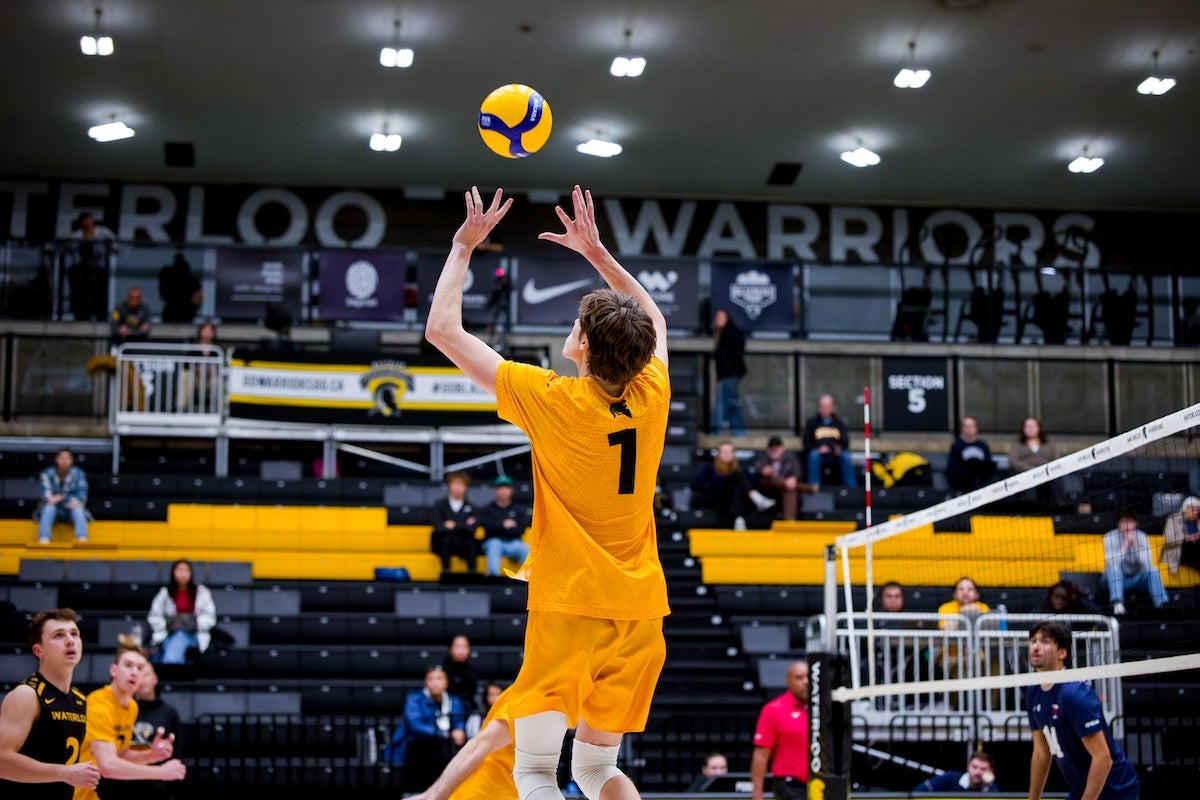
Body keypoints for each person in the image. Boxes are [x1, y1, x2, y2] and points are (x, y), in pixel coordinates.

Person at [424, 184, 671, 800]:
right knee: (596, 771)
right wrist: (598, 253)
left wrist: (462, 246)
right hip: (640, 612)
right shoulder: (652, 394)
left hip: (569, 606)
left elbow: (442, 330)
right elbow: (655, 318)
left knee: (534, 772)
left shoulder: (551, 399)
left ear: (583, 345)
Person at [1025, 621, 1140, 800]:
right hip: (1081, 789)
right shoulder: (1033, 691)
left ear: (1062, 652)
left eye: (1045, 641)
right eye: (1033, 641)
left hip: (1116, 790)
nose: (1036, 647)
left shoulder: (1074, 693)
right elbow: (1041, 752)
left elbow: (1103, 758)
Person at [0, 608, 101, 800]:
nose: (70, 640)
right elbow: (1, 761)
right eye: (58, 635)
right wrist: (65, 773)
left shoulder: (79, 699)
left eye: (74, 633)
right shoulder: (27, 694)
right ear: (39, 650)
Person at [74, 637, 187, 800]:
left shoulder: (131, 706)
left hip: (93, 793)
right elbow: (108, 765)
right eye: (128, 665)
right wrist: (161, 772)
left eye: (140, 668)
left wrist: (150, 755)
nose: (134, 672)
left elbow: (120, 753)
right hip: (74, 792)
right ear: (114, 670)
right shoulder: (99, 704)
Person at [101, 662, 183, 800]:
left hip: (154, 789)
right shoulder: (117, 708)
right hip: (118, 786)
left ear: (155, 679)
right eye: (138, 675)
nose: (142, 679)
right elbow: (110, 757)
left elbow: (176, 757)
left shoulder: (169, 713)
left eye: (146, 674)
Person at [401, 665, 468, 794]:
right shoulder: (415, 699)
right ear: (426, 683)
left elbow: (458, 721)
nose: (435, 682)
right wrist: (441, 734)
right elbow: (415, 725)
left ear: (446, 682)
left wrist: (459, 730)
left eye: (439, 678)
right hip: (420, 748)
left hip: (445, 748)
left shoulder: (453, 700)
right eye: (431, 679)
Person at [750, 661, 809, 800]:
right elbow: (761, 755)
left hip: (819, 784)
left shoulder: (822, 710)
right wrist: (757, 794)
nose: (806, 682)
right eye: (799, 678)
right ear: (788, 681)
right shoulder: (774, 709)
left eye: (809, 677)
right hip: (790, 786)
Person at [690, 441, 776, 530]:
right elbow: (695, 485)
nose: (727, 455)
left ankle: (739, 517)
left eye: (729, 452)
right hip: (717, 499)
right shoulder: (710, 469)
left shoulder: (740, 468)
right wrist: (716, 485)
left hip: (734, 500)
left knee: (736, 483)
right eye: (724, 452)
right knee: (735, 477)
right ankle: (756, 498)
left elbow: (751, 483)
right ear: (718, 454)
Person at [146, 559, 217, 665]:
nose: (183, 574)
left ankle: (171, 671)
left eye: (186, 570)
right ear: (173, 572)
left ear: (191, 573)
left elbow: (210, 618)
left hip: (194, 635)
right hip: (167, 634)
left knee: (180, 636)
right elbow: (154, 616)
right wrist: (168, 624)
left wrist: (191, 623)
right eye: (179, 570)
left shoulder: (202, 592)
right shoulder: (165, 593)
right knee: (172, 641)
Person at [1102, 509, 1168, 615]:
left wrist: (1136, 546)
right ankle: (1117, 603)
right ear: (1118, 524)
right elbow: (1111, 564)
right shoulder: (1109, 537)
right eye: (1123, 522)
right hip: (1113, 581)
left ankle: (1161, 605)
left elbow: (1148, 565)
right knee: (1114, 570)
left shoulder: (1142, 537)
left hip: (1135, 580)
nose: (1127, 526)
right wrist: (1125, 545)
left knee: (1153, 571)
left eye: (1130, 521)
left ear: (1136, 523)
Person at [477, 476, 531, 578]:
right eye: (500, 488)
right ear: (495, 490)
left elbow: (520, 529)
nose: (503, 491)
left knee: (525, 548)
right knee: (494, 545)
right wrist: (503, 524)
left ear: (511, 490)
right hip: (493, 541)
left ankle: (530, 579)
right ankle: (493, 578)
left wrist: (499, 527)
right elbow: (487, 527)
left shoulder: (518, 510)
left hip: (513, 543)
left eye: (506, 488)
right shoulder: (487, 509)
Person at [68, 212, 116, 322]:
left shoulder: (103, 232)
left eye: (88, 219)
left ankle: (101, 315)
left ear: (92, 220)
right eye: (84, 220)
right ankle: (82, 315)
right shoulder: (77, 235)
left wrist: (106, 249)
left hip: (100, 268)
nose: (87, 222)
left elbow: (115, 245)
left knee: (100, 294)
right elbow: (70, 248)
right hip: (83, 270)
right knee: (83, 293)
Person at [35, 449, 90, 544]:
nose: (64, 461)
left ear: (71, 460)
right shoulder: (47, 473)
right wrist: (66, 498)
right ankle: (44, 538)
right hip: (54, 508)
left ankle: (82, 539)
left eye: (67, 458)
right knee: (48, 508)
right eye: (61, 458)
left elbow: (81, 496)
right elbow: (47, 496)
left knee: (78, 509)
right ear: (56, 459)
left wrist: (62, 497)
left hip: (71, 507)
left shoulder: (78, 473)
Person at [802, 394, 857, 489]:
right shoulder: (811, 423)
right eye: (823, 407)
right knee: (813, 455)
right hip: (819, 454)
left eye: (827, 407)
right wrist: (819, 448)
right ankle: (814, 487)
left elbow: (845, 442)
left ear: (833, 408)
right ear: (819, 407)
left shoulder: (840, 423)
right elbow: (806, 443)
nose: (825, 410)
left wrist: (834, 449)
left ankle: (851, 488)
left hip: (835, 456)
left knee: (845, 456)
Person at [430, 472, 481, 574]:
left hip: (463, 541)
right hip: (443, 542)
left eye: (461, 484)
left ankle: (472, 573)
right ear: (449, 485)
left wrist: (454, 525)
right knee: (445, 540)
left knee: (471, 543)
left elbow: (471, 529)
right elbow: (439, 527)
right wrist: (463, 525)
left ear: (466, 487)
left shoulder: (473, 508)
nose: (458, 488)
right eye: (455, 484)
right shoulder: (439, 505)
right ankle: (446, 571)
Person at [753, 436, 810, 522]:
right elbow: (758, 467)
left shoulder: (791, 458)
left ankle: (789, 523)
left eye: (777, 448)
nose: (774, 450)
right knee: (770, 477)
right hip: (767, 490)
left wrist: (793, 478)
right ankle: (798, 486)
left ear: (782, 448)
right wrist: (764, 470)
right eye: (772, 448)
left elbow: (798, 473)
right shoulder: (763, 458)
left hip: (785, 491)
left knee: (790, 490)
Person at [710, 308, 747, 436]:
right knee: (733, 403)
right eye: (717, 317)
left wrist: (729, 369)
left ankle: (715, 431)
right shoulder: (720, 333)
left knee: (722, 403)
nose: (718, 320)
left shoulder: (731, 333)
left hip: (730, 374)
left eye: (721, 317)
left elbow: (733, 353)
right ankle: (739, 432)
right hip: (728, 374)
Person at [175, 321, 220, 413]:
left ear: (213, 333)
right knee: (185, 376)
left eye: (210, 331)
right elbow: (185, 365)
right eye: (205, 330)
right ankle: (181, 408)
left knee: (220, 381)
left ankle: (222, 409)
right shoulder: (193, 349)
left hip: (210, 380)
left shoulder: (217, 350)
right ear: (200, 332)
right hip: (195, 379)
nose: (208, 333)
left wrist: (211, 371)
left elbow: (222, 368)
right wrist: (195, 369)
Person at [944, 415, 997, 493]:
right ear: (962, 429)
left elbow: (989, 466)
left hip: (982, 484)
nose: (969, 429)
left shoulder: (983, 445)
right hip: (963, 484)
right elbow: (951, 468)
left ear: (976, 428)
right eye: (966, 426)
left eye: (971, 426)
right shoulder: (956, 446)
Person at [913, 751, 998, 793]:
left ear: (991, 771)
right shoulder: (951, 777)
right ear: (968, 767)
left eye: (983, 769)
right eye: (974, 767)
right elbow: (919, 791)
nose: (978, 772)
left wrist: (989, 785)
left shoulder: (992, 787)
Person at [157, 253, 202, 324]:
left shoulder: (192, 279)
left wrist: (193, 309)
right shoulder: (167, 275)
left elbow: (198, 298)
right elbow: (163, 294)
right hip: (171, 311)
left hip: (186, 313)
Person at [444, 635, 483, 716]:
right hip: (446, 709)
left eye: (465, 647)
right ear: (450, 649)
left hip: (469, 711)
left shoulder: (473, 671)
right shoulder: (443, 671)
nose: (461, 651)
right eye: (457, 646)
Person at [1162, 495, 1200, 577]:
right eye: (1193, 509)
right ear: (1185, 509)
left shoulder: (1198, 522)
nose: (1196, 512)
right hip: (1179, 552)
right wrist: (1186, 538)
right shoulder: (1173, 519)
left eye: (1197, 510)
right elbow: (1168, 540)